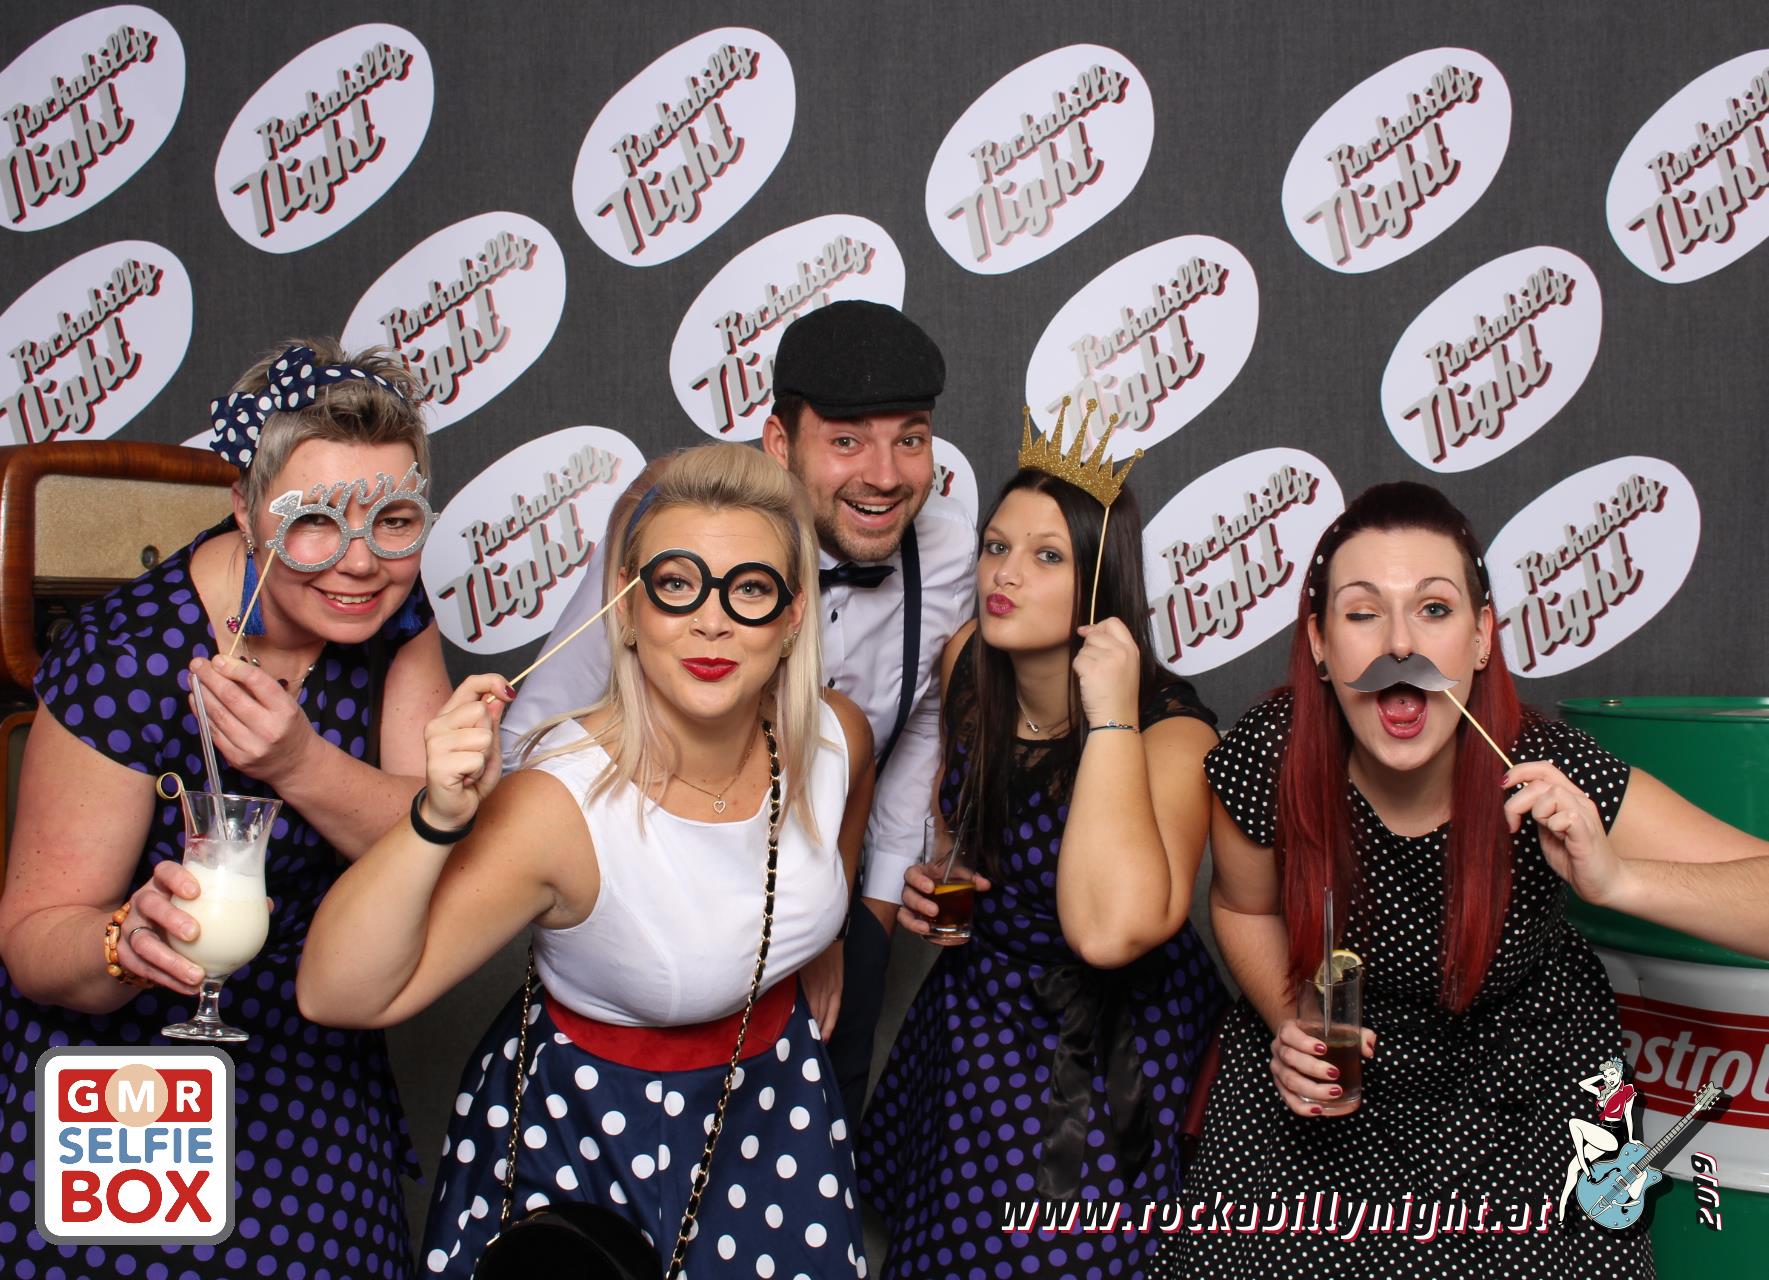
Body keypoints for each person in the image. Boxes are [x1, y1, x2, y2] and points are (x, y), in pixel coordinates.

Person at [1150, 480, 1769, 1280]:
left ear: (1480, 639)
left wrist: (1616, 881)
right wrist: (1288, 1020)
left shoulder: (1541, 768)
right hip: (1329, 1090)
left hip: (1523, 1100)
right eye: (1362, 613)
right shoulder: (1268, 756)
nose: (1398, 643)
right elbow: (1241, 906)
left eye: (1434, 609)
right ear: (1318, 642)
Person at [296, 443, 874, 1279]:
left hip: (778, 1108)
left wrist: (818, 942)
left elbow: (835, 831)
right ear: (628, 609)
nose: (711, 622)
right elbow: (336, 993)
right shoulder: (558, 805)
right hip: (597, 1136)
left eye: (749, 590)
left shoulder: (834, 737)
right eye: (676, 585)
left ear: (791, 618)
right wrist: (435, 818)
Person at [0, 339, 450, 1279]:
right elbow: (35, 940)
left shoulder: (394, 620)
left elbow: (430, 841)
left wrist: (298, 762)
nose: (360, 562)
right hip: (127, 1069)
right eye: (314, 521)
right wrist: (124, 940)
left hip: (314, 1046)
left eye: (395, 521)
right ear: (245, 509)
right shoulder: (127, 655)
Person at [503, 300, 977, 1124]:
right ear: (779, 444)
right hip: (661, 913)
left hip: (830, 899)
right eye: (846, 441)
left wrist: (853, 925)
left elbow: (907, 735)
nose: (885, 474)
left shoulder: (946, 551)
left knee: (814, 1150)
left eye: (910, 438)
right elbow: (530, 735)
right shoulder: (680, 528)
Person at [857, 406, 1226, 1279]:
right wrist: (933, 881)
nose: (1005, 573)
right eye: (996, 546)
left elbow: (1115, 931)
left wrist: (1110, 717)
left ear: (1099, 583)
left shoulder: (1174, 734)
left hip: (1110, 1045)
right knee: (946, 1249)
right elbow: (962, 825)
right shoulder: (966, 664)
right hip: (980, 1013)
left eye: (1046, 555)